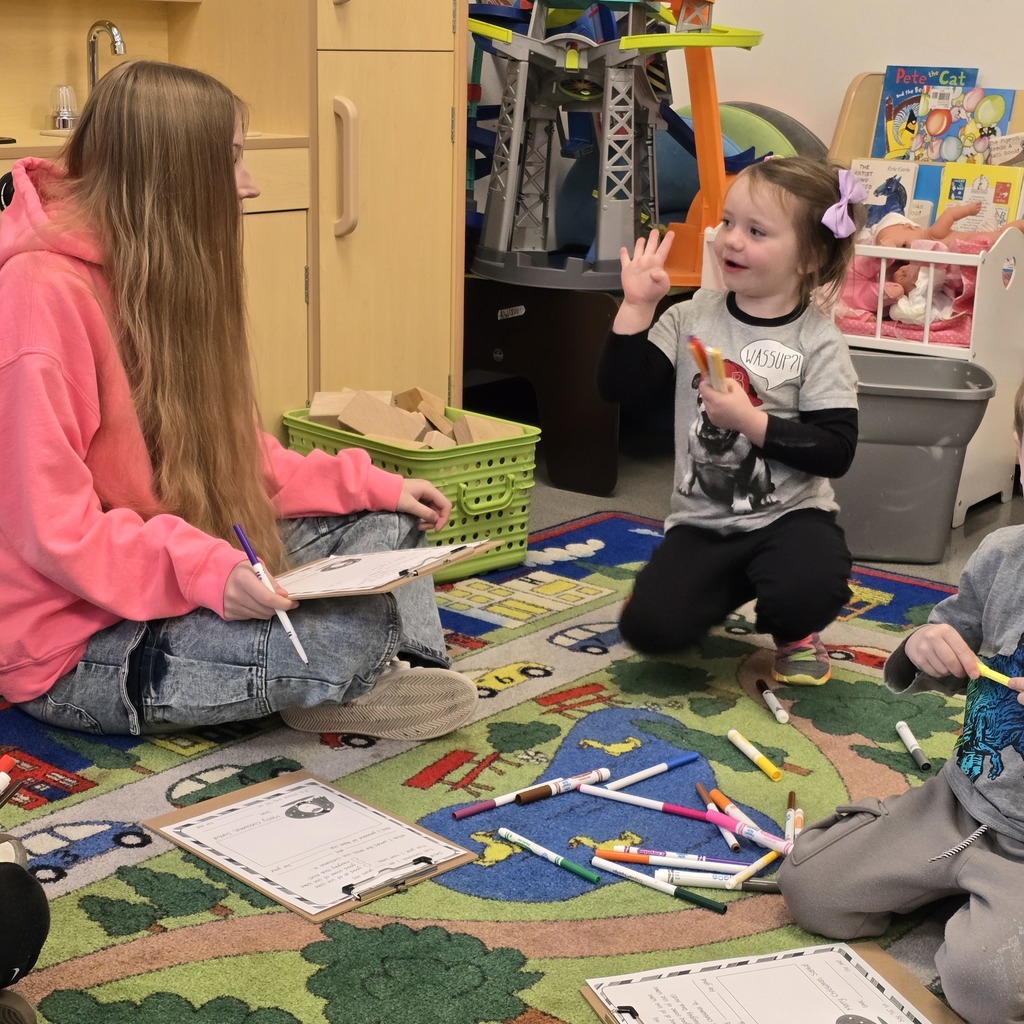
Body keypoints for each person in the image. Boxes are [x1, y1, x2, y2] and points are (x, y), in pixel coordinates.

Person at [0, 59, 477, 741]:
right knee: (334, 638)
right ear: (176, 173)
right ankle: (362, 671)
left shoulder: (159, 270)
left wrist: (371, 483)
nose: (249, 185)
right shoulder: (39, 296)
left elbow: (239, 458)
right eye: (231, 159)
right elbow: (55, 533)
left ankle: (374, 673)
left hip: (184, 567)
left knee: (387, 522)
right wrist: (207, 572)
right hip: (81, 644)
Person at [778, 377, 1024, 1024]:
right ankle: (929, 861)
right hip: (958, 800)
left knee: (987, 990)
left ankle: (979, 912)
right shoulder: (1003, 554)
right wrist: (924, 647)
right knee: (810, 889)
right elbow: (946, 640)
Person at [597, 157, 866, 685]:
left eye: (756, 230)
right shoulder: (690, 315)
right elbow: (619, 390)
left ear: (810, 256)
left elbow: (837, 449)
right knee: (652, 632)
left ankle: (796, 630)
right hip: (703, 523)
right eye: (727, 223)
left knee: (806, 589)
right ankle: (702, 588)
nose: (729, 240)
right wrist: (634, 308)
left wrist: (751, 423)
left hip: (790, 517)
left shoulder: (819, 340)